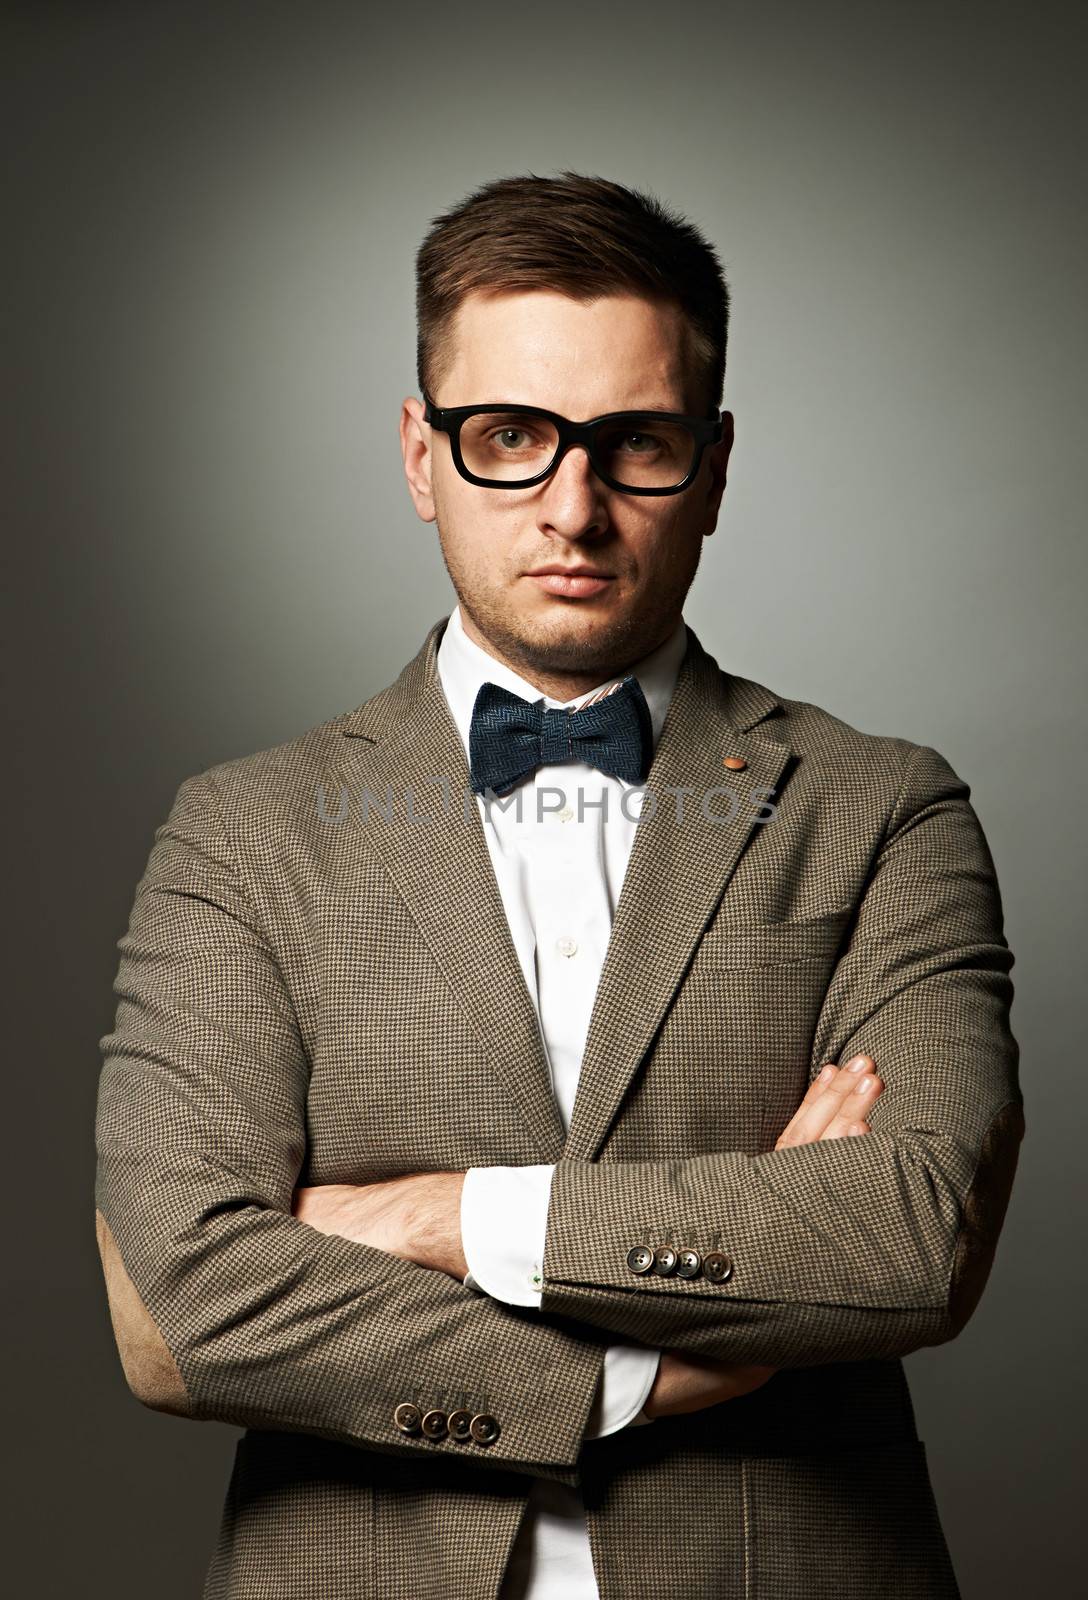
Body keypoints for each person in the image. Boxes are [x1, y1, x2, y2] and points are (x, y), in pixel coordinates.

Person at [94, 171, 1024, 1599]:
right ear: (420, 456)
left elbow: (910, 1234)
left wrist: (440, 1217)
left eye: (635, 443)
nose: (572, 507)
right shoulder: (242, 834)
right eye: (509, 437)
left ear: (712, 468)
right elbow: (181, 1308)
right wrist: (648, 1375)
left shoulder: (883, 807)